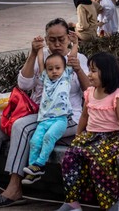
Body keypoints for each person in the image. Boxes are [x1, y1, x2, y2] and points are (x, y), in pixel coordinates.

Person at [0, 18, 90, 208]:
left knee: (22, 127)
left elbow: (90, 93)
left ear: (68, 38)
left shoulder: (78, 58)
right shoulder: (42, 56)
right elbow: (24, 85)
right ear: (45, 39)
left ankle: (14, 187)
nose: (56, 44)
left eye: (61, 39)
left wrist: (78, 70)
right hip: (38, 112)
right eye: (51, 39)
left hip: (67, 116)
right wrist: (32, 53)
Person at [56, 52, 119, 211]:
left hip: (111, 139)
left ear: (107, 72)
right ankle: (72, 202)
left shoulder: (117, 96)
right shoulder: (89, 93)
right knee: (70, 157)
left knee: (99, 162)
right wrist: (78, 136)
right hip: (90, 137)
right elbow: (84, 116)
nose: (89, 74)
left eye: (93, 71)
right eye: (89, 70)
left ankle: (112, 201)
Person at [22, 51, 75, 185]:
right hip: (44, 120)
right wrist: (39, 50)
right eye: (50, 69)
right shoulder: (46, 80)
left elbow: (71, 58)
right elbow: (41, 64)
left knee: (49, 137)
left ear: (64, 69)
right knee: (35, 141)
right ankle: (33, 171)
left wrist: (75, 44)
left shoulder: (65, 78)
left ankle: (40, 164)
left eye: (58, 68)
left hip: (60, 119)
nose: (54, 71)